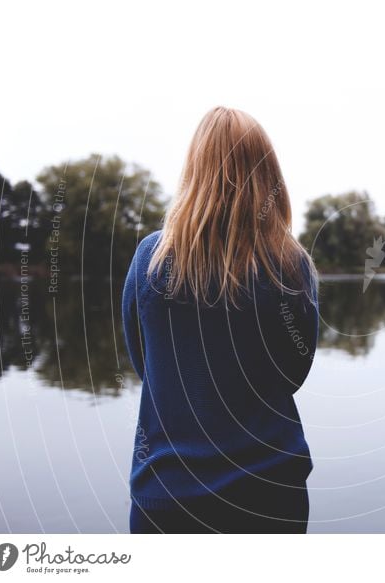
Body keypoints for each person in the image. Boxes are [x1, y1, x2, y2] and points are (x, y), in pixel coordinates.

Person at [122, 106, 318, 533]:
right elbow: (293, 372)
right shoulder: (289, 264)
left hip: (168, 492)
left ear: (194, 170)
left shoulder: (149, 260)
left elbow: (146, 365)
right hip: (269, 490)